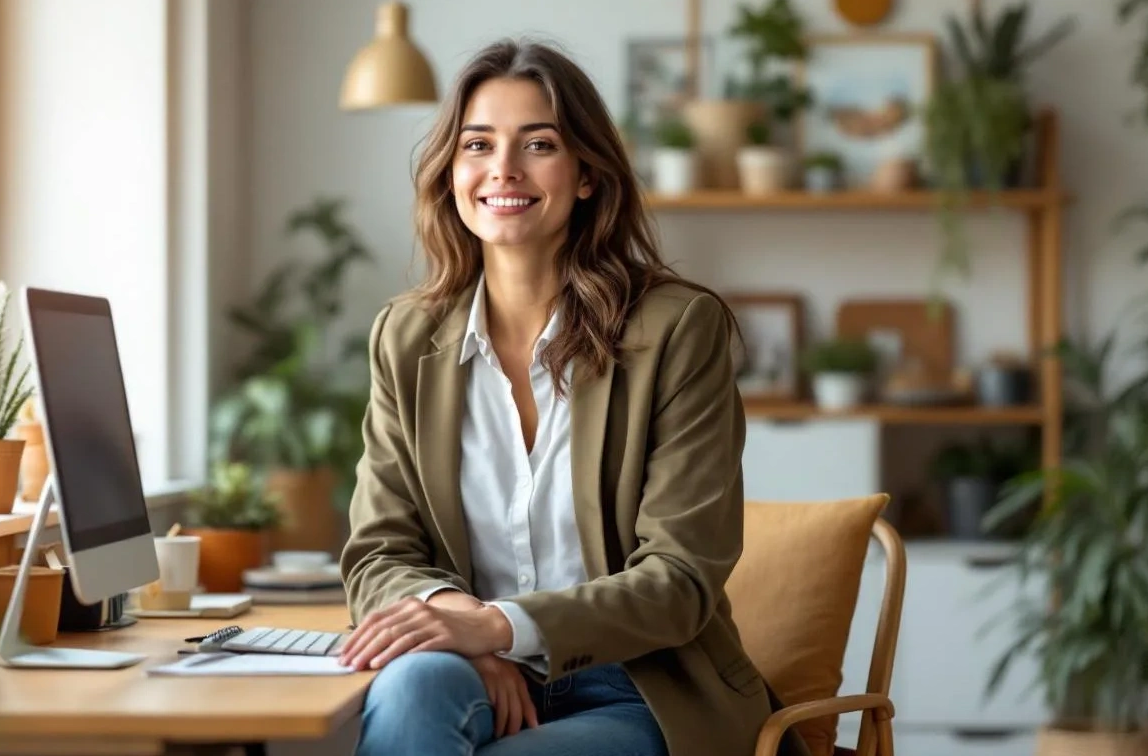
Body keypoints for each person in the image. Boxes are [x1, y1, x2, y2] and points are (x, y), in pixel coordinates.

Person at [338, 38, 809, 756]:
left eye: (538, 144)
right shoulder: (406, 337)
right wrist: (465, 629)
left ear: (587, 174)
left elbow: (680, 579)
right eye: (477, 145)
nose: (503, 169)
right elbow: (378, 551)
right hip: (473, 669)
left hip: (644, 687)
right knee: (409, 692)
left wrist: (502, 624)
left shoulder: (678, 328)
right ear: (451, 171)